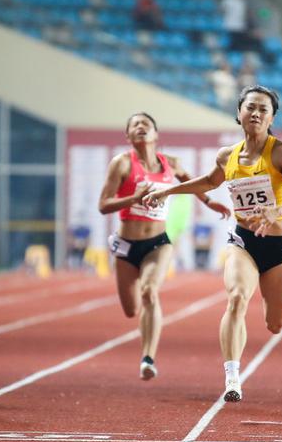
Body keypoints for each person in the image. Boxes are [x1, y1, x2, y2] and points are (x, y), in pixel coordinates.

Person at [144, 86, 282, 402]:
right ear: (238, 113)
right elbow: (210, 181)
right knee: (236, 298)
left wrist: (278, 209)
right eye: (250, 107)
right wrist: (166, 191)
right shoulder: (228, 155)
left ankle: (248, 351)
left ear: (272, 117)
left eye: (263, 109)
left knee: (275, 324)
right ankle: (232, 377)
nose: (256, 113)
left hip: (277, 248)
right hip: (243, 241)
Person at [98, 113, 230, 380]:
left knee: (149, 292)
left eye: (145, 124)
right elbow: (103, 205)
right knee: (131, 309)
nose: (140, 127)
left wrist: (208, 202)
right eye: (134, 125)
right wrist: (134, 197)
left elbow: (194, 182)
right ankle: (145, 344)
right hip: (126, 245)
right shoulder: (122, 165)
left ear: (156, 134)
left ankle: (148, 358)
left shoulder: (171, 164)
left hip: (158, 242)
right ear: (128, 136)